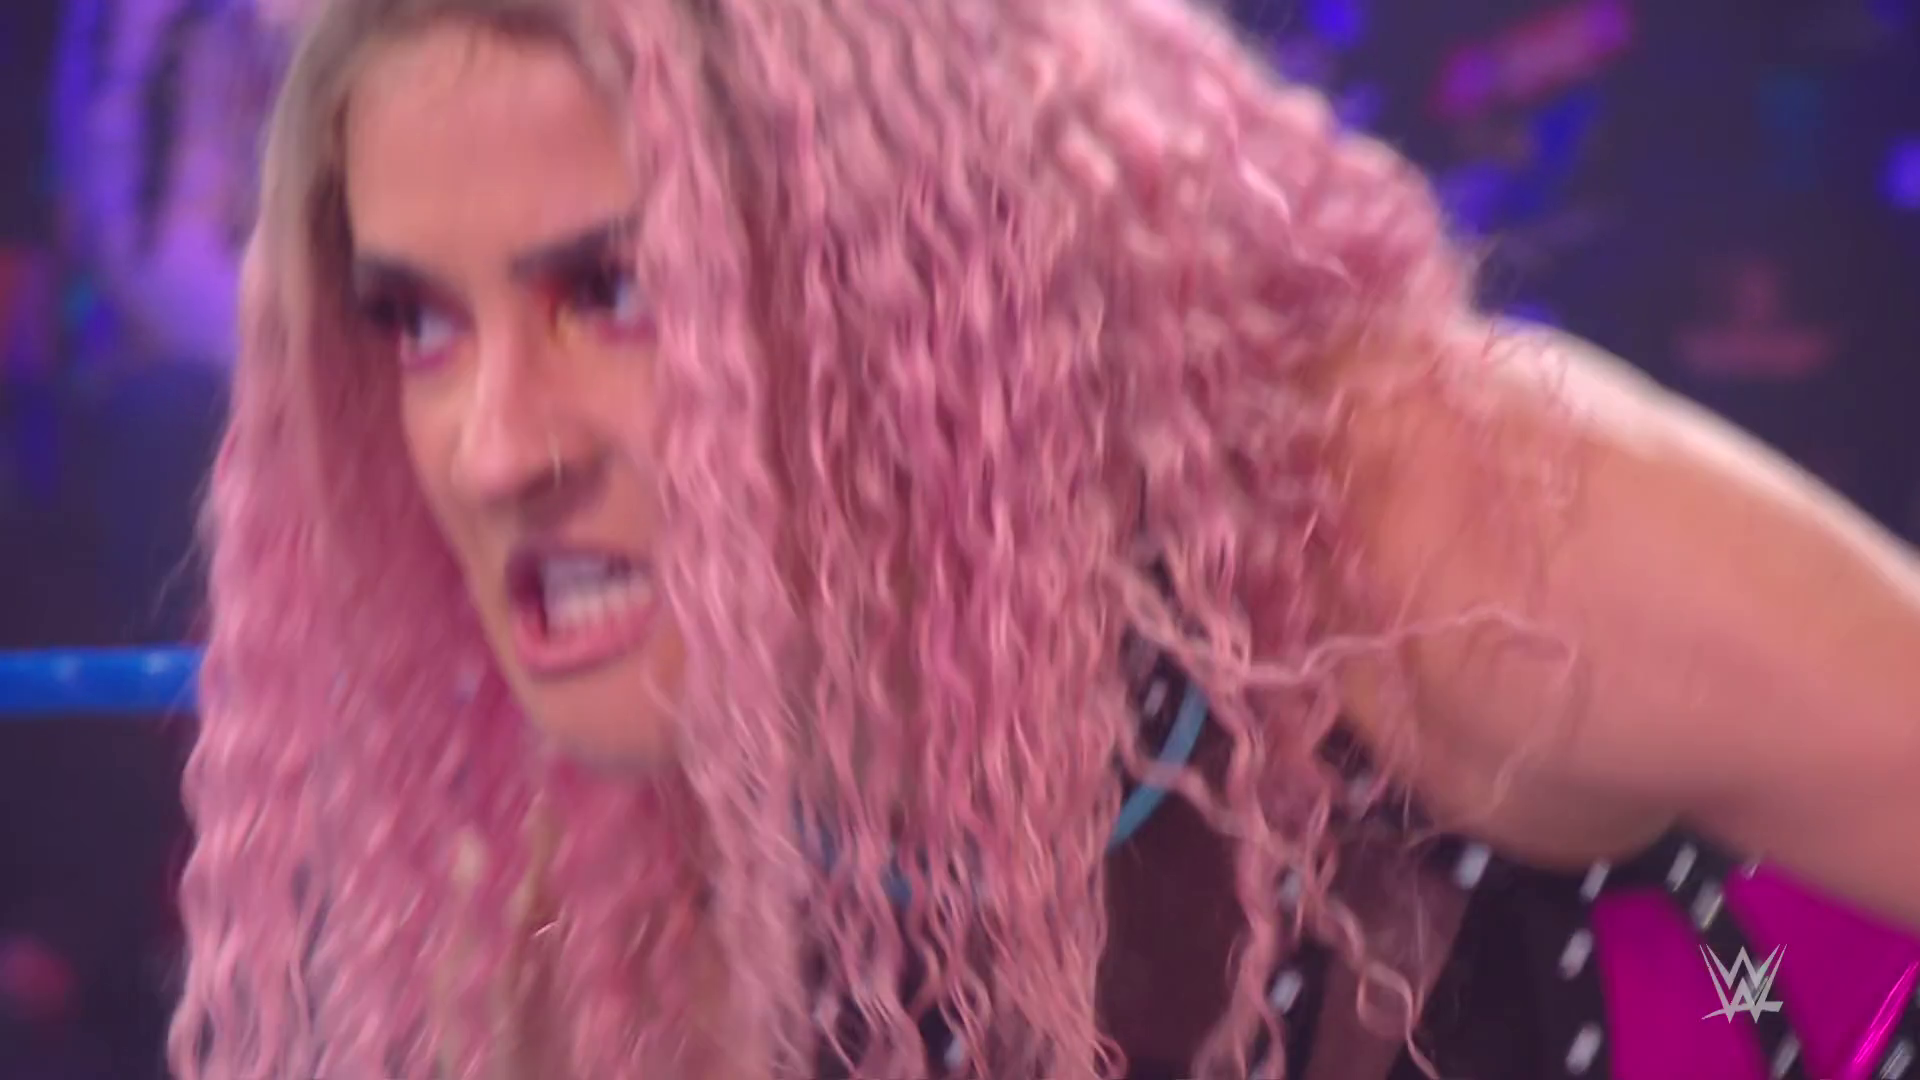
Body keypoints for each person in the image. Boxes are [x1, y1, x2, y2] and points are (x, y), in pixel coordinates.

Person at [171, 0, 1920, 1077]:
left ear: (905, 284)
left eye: (615, 292)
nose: (496, 451)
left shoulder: (1412, 520)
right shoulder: (606, 903)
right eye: (418, 323)